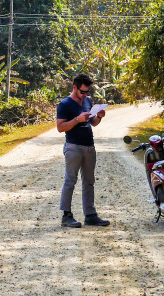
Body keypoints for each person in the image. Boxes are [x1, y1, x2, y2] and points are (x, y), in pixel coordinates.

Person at [55, 73, 109, 228]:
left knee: (89, 182)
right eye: (82, 92)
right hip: (73, 146)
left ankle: (90, 215)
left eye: (87, 92)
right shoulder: (65, 104)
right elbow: (60, 127)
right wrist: (77, 120)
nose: (84, 95)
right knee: (70, 181)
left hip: (89, 146)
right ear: (74, 88)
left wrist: (99, 116)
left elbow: (93, 123)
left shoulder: (87, 101)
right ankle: (66, 216)